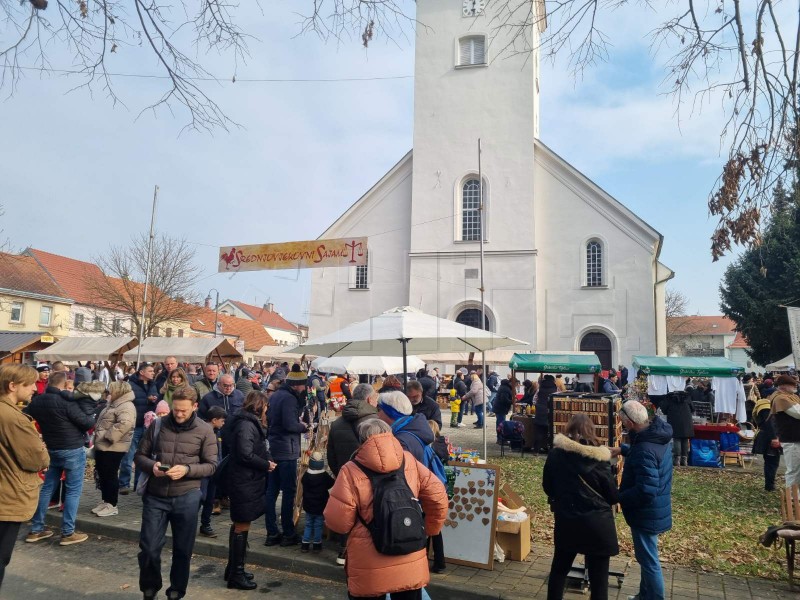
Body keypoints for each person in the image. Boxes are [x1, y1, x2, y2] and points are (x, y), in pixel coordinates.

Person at [324, 419, 448, 600]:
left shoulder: (350, 470)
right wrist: (430, 529)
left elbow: (338, 522)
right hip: (409, 553)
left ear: (361, 440)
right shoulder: (408, 461)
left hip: (369, 562)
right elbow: (438, 496)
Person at [135, 386, 218, 600]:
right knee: (149, 548)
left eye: (184, 410)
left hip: (187, 495)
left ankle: (176, 592)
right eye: (176, 409)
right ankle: (150, 588)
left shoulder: (205, 430)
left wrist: (188, 470)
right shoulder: (157, 424)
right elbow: (139, 456)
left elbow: (211, 466)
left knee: (182, 550)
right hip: (156, 495)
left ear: (195, 407)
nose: (179, 414)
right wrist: (152, 466)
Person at [543, 414, 619, 600]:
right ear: (591, 431)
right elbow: (612, 496)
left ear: (569, 429)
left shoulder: (555, 455)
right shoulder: (600, 461)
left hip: (567, 520)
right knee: (599, 581)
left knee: (559, 571)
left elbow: (547, 486)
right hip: (597, 525)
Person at [610, 400, 673, 600]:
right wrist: (623, 450)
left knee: (649, 560)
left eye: (624, 422)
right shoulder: (657, 436)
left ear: (629, 423)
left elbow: (646, 489)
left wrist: (618, 497)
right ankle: (645, 595)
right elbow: (649, 457)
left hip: (647, 511)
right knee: (646, 557)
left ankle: (654, 597)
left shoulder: (645, 447)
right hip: (654, 509)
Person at [24, 370, 94, 546]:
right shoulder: (66, 402)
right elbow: (87, 423)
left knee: (47, 488)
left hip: (52, 449)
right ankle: (68, 532)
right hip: (72, 449)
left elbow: (24, 416)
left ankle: (36, 529)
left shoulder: (38, 400)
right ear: (64, 385)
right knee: (73, 491)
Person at [0, 365, 50, 590]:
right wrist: (42, 448)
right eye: (29, 384)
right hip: (7, 496)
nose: (34, 389)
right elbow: (36, 460)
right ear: (12, 386)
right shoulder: (13, 418)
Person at [225, 391, 275, 590]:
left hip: (246, 480)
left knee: (240, 522)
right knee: (242, 523)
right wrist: (265, 465)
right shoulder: (246, 424)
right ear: (260, 406)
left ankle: (233, 568)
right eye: (266, 407)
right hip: (243, 481)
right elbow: (245, 454)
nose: (267, 411)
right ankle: (236, 574)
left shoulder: (247, 422)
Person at [327, 382, 378, 565]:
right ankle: (365, 554)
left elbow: (330, 454)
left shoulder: (338, 422)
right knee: (367, 515)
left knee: (347, 511)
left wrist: (340, 472)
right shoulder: (375, 420)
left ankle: (344, 550)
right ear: (369, 399)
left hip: (344, 474)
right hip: (370, 477)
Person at [264, 364, 311, 547]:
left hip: (274, 447)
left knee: (272, 492)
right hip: (286, 450)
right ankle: (288, 533)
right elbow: (290, 425)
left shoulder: (276, 395)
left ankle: (272, 533)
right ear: (297, 385)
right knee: (288, 491)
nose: (305, 388)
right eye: (303, 385)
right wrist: (304, 426)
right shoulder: (290, 399)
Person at [91, 381, 136, 517]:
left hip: (113, 446)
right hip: (104, 445)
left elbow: (125, 423)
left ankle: (112, 504)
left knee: (109, 474)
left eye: (111, 390)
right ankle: (106, 501)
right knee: (103, 473)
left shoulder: (126, 405)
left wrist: (109, 436)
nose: (108, 392)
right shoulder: (113, 403)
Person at [119, 362, 159, 494]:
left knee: (143, 456)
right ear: (142, 372)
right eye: (150, 371)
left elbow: (157, 403)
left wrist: (154, 400)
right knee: (128, 456)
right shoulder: (131, 385)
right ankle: (124, 484)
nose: (153, 373)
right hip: (134, 425)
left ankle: (138, 484)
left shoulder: (153, 385)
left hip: (148, 426)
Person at [376, 390, 434, 464]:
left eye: (379, 410)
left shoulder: (401, 441)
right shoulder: (412, 428)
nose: (377, 414)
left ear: (390, 412)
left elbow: (399, 472)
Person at [199, 406, 227, 538]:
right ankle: (189, 523)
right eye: (222, 420)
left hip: (214, 471)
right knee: (200, 498)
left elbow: (219, 452)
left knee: (210, 499)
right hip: (203, 471)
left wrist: (219, 466)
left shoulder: (217, 432)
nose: (223, 423)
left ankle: (206, 524)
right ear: (214, 420)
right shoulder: (201, 431)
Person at [301, 452, 335, 553]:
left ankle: (305, 545)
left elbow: (303, 483)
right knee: (318, 525)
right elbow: (331, 483)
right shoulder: (324, 476)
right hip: (320, 505)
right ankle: (316, 545)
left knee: (308, 524)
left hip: (308, 505)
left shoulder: (306, 475)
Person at [770, 374, 800, 487]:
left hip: (796, 437)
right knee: (793, 470)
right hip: (791, 438)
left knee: (797, 469)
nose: (795, 386)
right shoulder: (781, 398)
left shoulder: (792, 396)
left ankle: (796, 496)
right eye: (792, 385)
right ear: (783, 386)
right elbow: (798, 413)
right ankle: (792, 497)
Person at [428, 419, 448, 574]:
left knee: (426, 526)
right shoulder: (442, 445)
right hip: (440, 489)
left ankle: (425, 560)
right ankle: (440, 562)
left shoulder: (428, 448)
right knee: (436, 528)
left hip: (429, 490)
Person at [752, 394, 781, 491]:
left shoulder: (765, 405)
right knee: (771, 462)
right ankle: (770, 486)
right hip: (769, 438)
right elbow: (769, 423)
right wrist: (774, 438)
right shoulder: (766, 407)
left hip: (769, 436)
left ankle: (770, 485)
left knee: (771, 462)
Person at [661, 391, 694, 466]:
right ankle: (684, 459)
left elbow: (663, 409)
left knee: (677, 439)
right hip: (686, 420)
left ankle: (677, 459)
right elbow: (692, 408)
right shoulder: (687, 397)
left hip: (674, 420)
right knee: (685, 438)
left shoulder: (669, 398)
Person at [534, 375, 557, 453]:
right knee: (550, 432)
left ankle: (536, 451)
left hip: (540, 411)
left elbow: (534, 400)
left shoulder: (540, 388)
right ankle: (550, 450)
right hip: (550, 412)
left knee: (539, 432)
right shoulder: (555, 389)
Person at [493, 376, 516, 441]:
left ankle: (500, 438)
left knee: (500, 423)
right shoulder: (505, 389)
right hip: (501, 408)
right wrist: (512, 402)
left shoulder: (504, 387)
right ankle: (500, 438)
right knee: (501, 424)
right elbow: (504, 400)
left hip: (499, 408)